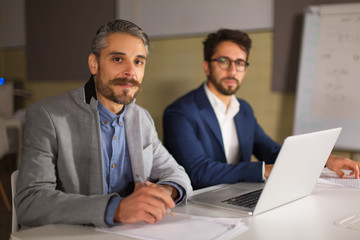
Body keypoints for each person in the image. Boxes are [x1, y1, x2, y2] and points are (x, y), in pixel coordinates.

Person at [15, 19, 192, 229]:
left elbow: (178, 174)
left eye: (138, 61)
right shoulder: (47, 116)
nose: (130, 71)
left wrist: (164, 192)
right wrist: (117, 209)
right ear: (94, 64)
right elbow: (30, 202)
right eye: (118, 59)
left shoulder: (142, 118)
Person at [163, 29, 360, 190]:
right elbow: (198, 171)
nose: (232, 70)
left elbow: (271, 151)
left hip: (237, 195)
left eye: (239, 63)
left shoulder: (244, 110)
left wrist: (325, 159)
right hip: (199, 204)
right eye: (223, 61)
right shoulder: (180, 112)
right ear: (207, 66)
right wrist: (263, 170)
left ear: (245, 69)